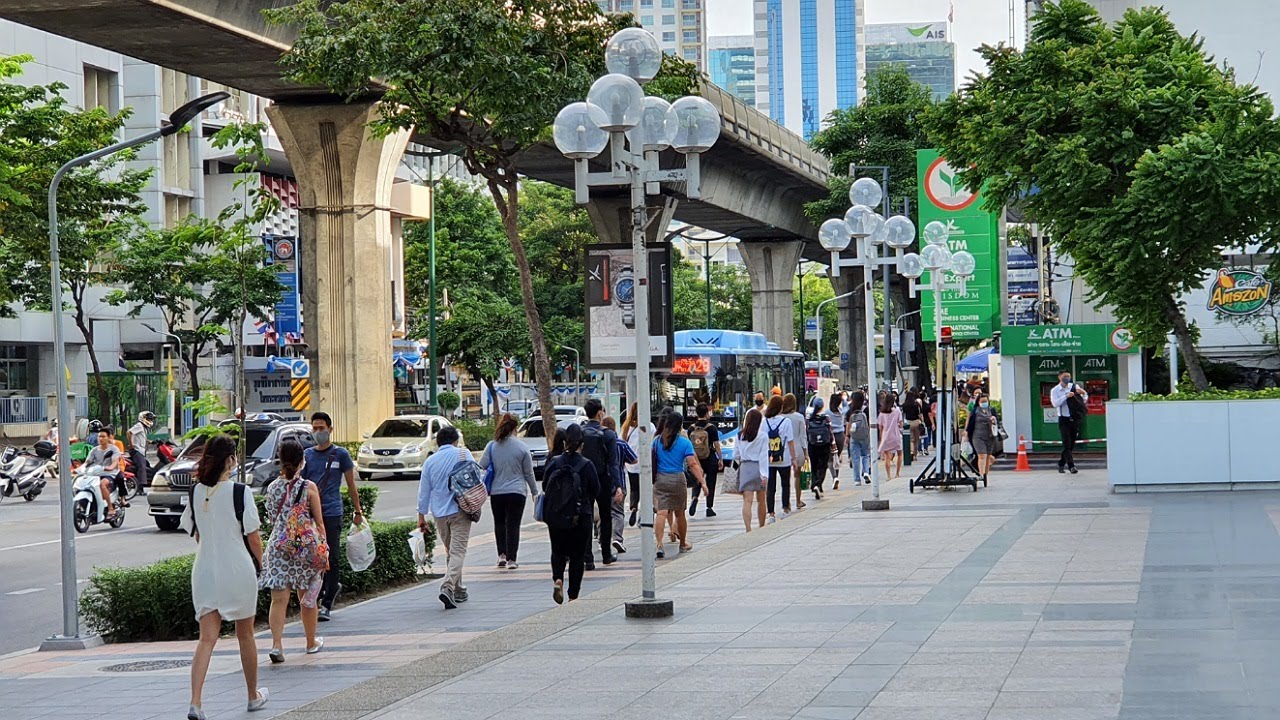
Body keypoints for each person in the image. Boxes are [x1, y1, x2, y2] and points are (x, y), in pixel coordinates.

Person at [182, 434, 267, 720]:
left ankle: (196, 702)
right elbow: (253, 537)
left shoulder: (195, 492)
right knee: (245, 635)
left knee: (206, 639)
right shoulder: (240, 492)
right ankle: (253, 695)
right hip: (238, 569)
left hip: (205, 570)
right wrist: (261, 562)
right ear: (231, 459)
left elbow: (196, 534)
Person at [261, 439, 328, 663]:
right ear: (302, 461)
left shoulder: (272, 487)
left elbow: (272, 518)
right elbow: (319, 521)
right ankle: (310, 642)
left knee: (279, 599)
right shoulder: (309, 487)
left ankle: (277, 645)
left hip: (279, 547)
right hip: (305, 549)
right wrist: (324, 549)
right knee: (307, 598)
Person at [302, 412, 364, 621]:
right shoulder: (308, 455)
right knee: (314, 558)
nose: (318, 432)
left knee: (331, 558)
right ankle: (324, 592)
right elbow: (301, 486)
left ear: (330, 429)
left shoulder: (341, 455)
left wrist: (358, 511)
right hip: (311, 515)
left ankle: (326, 603)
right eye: (315, 428)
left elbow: (351, 485)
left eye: (322, 428)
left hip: (332, 512)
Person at [541, 423, 600, 604]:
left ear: (565, 442)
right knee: (577, 556)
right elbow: (595, 489)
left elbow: (545, 486)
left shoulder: (554, 462)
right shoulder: (586, 464)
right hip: (580, 515)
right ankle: (573, 595)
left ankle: (558, 579)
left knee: (557, 551)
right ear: (582, 444)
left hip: (556, 515)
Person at [417, 425, 473, 609]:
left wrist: (421, 516)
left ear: (438, 442)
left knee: (451, 551)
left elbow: (424, 491)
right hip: (461, 509)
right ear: (456, 441)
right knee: (458, 551)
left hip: (440, 513)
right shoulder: (463, 454)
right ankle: (448, 586)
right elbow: (476, 479)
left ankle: (458, 589)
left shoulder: (430, 461)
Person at [480, 413, 537, 570]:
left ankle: (501, 555)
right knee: (513, 524)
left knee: (499, 523)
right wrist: (534, 492)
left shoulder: (492, 446)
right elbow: (528, 473)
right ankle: (512, 559)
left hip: (497, 492)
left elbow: (482, 466)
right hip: (517, 491)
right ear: (515, 428)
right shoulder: (522, 447)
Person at [652, 412, 706, 556]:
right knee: (680, 513)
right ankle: (682, 543)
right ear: (680, 425)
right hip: (677, 479)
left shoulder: (657, 441)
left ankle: (659, 544)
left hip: (660, 479)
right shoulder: (684, 442)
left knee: (661, 512)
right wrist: (703, 483)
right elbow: (692, 464)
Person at [579, 398, 622, 569]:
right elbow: (613, 463)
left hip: (583, 480)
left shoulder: (580, 432)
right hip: (603, 480)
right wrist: (617, 485)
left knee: (586, 517)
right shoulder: (608, 434)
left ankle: (587, 558)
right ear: (599, 413)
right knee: (606, 517)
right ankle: (606, 554)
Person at [603, 415, 636, 555]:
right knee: (618, 512)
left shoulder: (599, 443)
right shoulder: (621, 444)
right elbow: (634, 459)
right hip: (619, 483)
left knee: (604, 513)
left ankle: (601, 539)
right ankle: (617, 539)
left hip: (603, 483)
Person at [763, 395, 798, 521]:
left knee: (770, 487)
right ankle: (785, 509)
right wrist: (794, 459)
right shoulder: (786, 422)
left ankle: (771, 513)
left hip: (769, 459)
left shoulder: (764, 422)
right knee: (785, 484)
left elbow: (762, 441)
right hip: (784, 458)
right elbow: (790, 441)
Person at [735, 408, 770, 531]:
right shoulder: (763, 436)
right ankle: (761, 525)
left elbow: (736, 455)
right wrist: (764, 474)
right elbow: (763, 456)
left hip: (745, 468)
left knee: (747, 501)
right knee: (761, 500)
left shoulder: (740, 435)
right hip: (758, 467)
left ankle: (748, 528)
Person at [687, 403, 722, 518]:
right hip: (710, 457)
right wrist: (720, 458)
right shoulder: (711, 428)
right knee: (711, 482)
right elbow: (716, 445)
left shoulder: (691, 428)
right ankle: (709, 507)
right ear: (707, 413)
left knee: (697, 479)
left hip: (696, 459)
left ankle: (694, 497)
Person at [1051, 369, 1088, 474]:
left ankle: (1061, 463)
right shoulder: (1055, 390)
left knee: (1071, 444)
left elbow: (1083, 400)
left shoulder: (1074, 386)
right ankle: (1071, 466)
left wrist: (1084, 393)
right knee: (1066, 443)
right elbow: (1055, 404)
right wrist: (1066, 396)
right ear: (1060, 377)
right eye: (1064, 376)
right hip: (1064, 419)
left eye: (1068, 376)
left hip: (1074, 418)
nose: (1067, 378)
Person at [85, 426, 125, 517]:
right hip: (95, 474)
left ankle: (110, 508)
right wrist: (79, 469)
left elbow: (115, 461)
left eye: (103, 436)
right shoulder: (94, 450)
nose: (101, 439)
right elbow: (87, 462)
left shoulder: (114, 449)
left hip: (110, 474)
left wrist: (110, 467)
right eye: (99, 436)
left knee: (102, 484)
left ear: (108, 437)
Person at [782, 393, 809, 509]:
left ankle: (786, 502)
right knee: (797, 475)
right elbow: (803, 436)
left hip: (784, 449)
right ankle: (798, 501)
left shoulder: (780, 418)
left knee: (785, 477)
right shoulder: (799, 417)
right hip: (798, 448)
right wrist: (806, 453)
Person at [966, 390, 1000, 478]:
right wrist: (966, 432)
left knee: (988, 456)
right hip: (977, 436)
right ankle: (981, 474)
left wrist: (994, 420)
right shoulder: (975, 411)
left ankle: (985, 475)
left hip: (989, 436)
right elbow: (971, 423)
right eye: (982, 401)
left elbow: (997, 422)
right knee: (982, 455)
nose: (984, 403)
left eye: (985, 401)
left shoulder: (991, 410)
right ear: (978, 402)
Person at [806, 398, 834, 499]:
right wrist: (832, 443)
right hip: (824, 445)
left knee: (814, 465)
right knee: (823, 466)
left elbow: (806, 432)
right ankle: (819, 484)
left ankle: (815, 484)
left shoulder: (809, 419)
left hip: (812, 445)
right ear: (822, 407)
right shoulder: (826, 418)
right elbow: (830, 431)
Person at [845, 392, 872, 486]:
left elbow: (848, 425)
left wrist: (847, 436)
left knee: (855, 458)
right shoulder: (866, 410)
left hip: (854, 437)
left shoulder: (850, 411)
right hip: (865, 436)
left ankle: (857, 480)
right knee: (865, 455)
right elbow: (869, 423)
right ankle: (866, 472)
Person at [876, 394, 904, 481]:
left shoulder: (881, 413)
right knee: (899, 453)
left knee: (887, 456)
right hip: (895, 435)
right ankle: (897, 473)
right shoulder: (897, 411)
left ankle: (888, 476)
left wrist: (881, 438)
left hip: (886, 436)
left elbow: (880, 427)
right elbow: (901, 424)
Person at [127, 410, 155, 494]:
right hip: (136, 450)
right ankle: (140, 488)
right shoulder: (139, 425)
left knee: (147, 465)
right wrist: (131, 445)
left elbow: (141, 438)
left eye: (151, 419)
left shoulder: (144, 428)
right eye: (149, 419)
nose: (150, 421)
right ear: (143, 418)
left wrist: (150, 442)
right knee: (142, 467)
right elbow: (129, 432)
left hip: (140, 451)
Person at [826, 392, 845, 483]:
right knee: (837, 456)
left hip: (831, 436)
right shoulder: (841, 411)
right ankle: (837, 475)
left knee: (830, 458)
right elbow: (847, 406)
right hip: (841, 435)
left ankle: (834, 477)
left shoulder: (827, 412)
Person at [903, 389, 923, 460]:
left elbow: (904, 414)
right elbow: (920, 414)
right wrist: (922, 421)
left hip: (908, 423)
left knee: (911, 439)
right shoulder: (916, 404)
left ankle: (911, 452)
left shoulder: (905, 405)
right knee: (916, 440)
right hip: (916, 422)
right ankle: (915, 455)